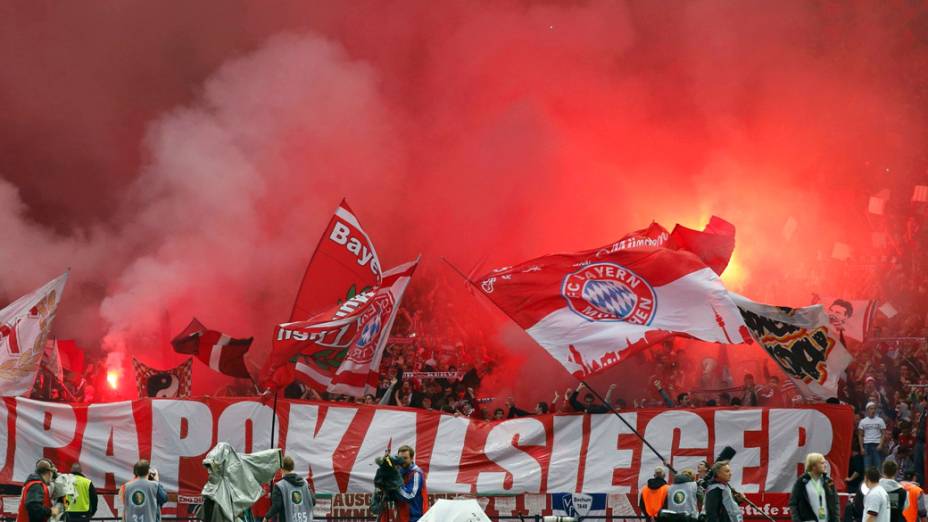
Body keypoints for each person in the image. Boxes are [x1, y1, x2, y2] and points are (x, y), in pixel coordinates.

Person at [789, 452, 839, 522]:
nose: (825, 465)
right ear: (813, 466)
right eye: (822, 463)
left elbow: (835, 503)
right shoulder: (802, 482)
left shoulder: (828, 481)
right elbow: (793, 503)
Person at [265, 456, 314, 522]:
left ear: (281, 468)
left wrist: (267, 516)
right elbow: (313, 501)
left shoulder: (279, 486)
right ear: (293, 467)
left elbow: (277, 506)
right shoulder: (305, 483)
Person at [395, 445, 428, 522]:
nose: (402, 461)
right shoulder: (399, 471)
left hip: (415, 518)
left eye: (405, 458)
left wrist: (394, 486)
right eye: (400, 458)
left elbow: (410, 495)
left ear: (411, 458)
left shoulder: (416, 473)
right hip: (403, 517)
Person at [861, 402, 889, 471]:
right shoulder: (863, 421)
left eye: (874, 409)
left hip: (877, 445)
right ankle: (868, 481)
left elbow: (883, 433)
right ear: (867, 410)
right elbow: (860, 435)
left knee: (878, 467)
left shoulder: (880, 420)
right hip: (867, 445)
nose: (873, 410)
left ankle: (878, 481)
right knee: (867, 468)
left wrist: (881, 444)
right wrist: (861, 447)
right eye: (871, 409)